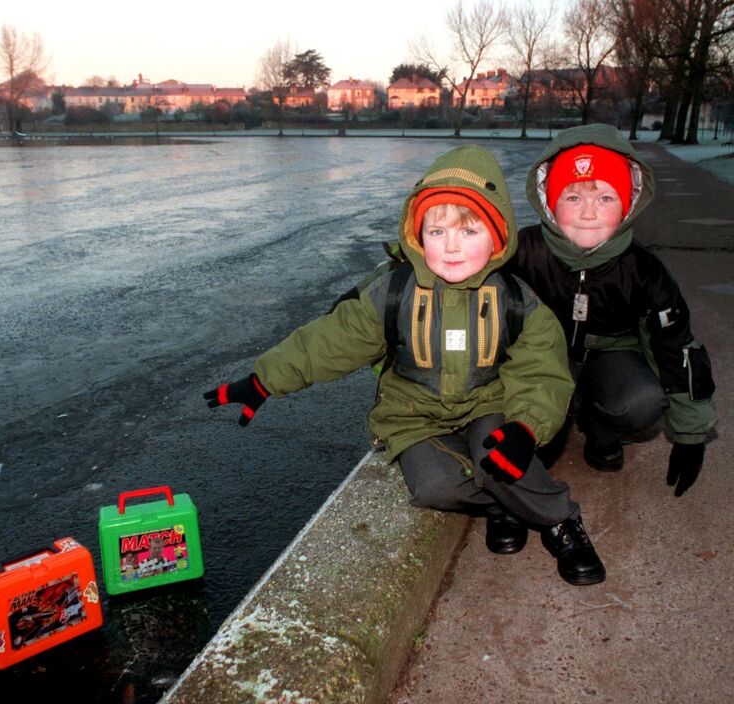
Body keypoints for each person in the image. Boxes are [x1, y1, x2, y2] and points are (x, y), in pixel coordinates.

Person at [205, 145, 606, 586]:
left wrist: (527, 426)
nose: (452, 247)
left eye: (469, 232)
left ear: (498, 237)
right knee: (434, 487)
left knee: (499, 455)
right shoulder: (393, 291)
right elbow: (329, 340)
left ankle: (561, 522)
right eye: (437, 232)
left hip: (487, 402)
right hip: (413, 414)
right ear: (418, 235)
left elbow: (544, 373)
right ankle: (501, 506)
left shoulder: (516, 300)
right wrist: (263, 381)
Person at [508, 124, 716, 495]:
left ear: (628, 206)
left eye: (605, 198)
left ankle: (599, 426)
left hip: (611, 355)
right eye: (573, 198)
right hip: (542, 358)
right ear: (550, 202)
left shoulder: (644, 271)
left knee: (642, 401)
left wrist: (690, 431)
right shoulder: (522, 251)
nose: (588, 212)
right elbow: (460, 268)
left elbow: (678, 346)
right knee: (533, 430)